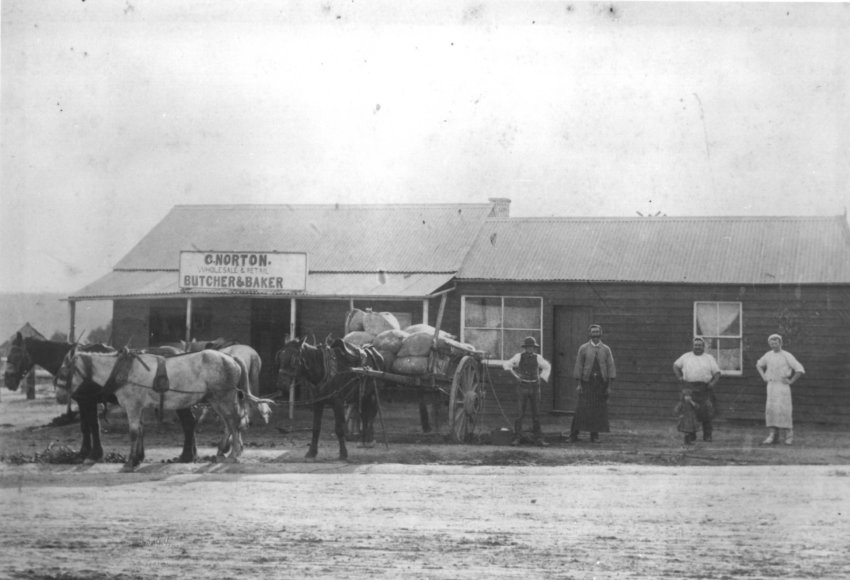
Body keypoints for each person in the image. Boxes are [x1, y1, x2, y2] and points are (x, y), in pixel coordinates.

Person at [568, 324, 616, 443]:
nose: (595, 335)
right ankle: (573, 434)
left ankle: (594, 436)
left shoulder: (606, 349)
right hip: (586, 383)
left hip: (600, 384)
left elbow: (611, 367)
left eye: (597, 332)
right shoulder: (583, 348)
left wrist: (609, 386)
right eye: (593, 333)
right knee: (581, 408)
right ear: (589, 334)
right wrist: (579, 384)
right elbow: (579, 366)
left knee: (597, 409)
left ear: (600, 334)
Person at [756, 334, 805, 445]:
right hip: (771, 386)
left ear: (780, 343)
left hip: (782, 387)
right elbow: (759, 365)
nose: (774, 345)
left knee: (784, 410)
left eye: (776, 343)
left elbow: (799, 369)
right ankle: (772, 435)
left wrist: (791, 381)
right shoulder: (768, 355)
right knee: (771, 410)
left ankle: (789, 436)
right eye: (772, 343)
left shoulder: (787, 355)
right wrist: (764, 377)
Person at [503, 336, 551, 447]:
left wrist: (541, 378)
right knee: (520, 413)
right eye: (529, 347)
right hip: (522, 387)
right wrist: (515, 376)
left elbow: (547, 367)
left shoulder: (538, 357)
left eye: (532, 347)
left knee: (536, 414)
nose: (531, 349)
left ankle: (539, 439)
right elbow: (506, 364)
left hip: (535, 387)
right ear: (525, 348)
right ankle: (517, 438)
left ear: (534, 348)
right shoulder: (518, 356)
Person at [673, 337, 721, 444]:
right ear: (693, 346)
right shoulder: (686, 356)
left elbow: (717, 373)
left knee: (706, 412)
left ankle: (707, 435)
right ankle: (691, 435)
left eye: (700, 345)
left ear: (703, 347)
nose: (697, 347)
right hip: (689, 387)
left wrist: (712, 383)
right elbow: (675, 366)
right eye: (696, 345)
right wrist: (679, 377)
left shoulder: (709, 358)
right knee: (690, 412)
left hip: (704, 388)